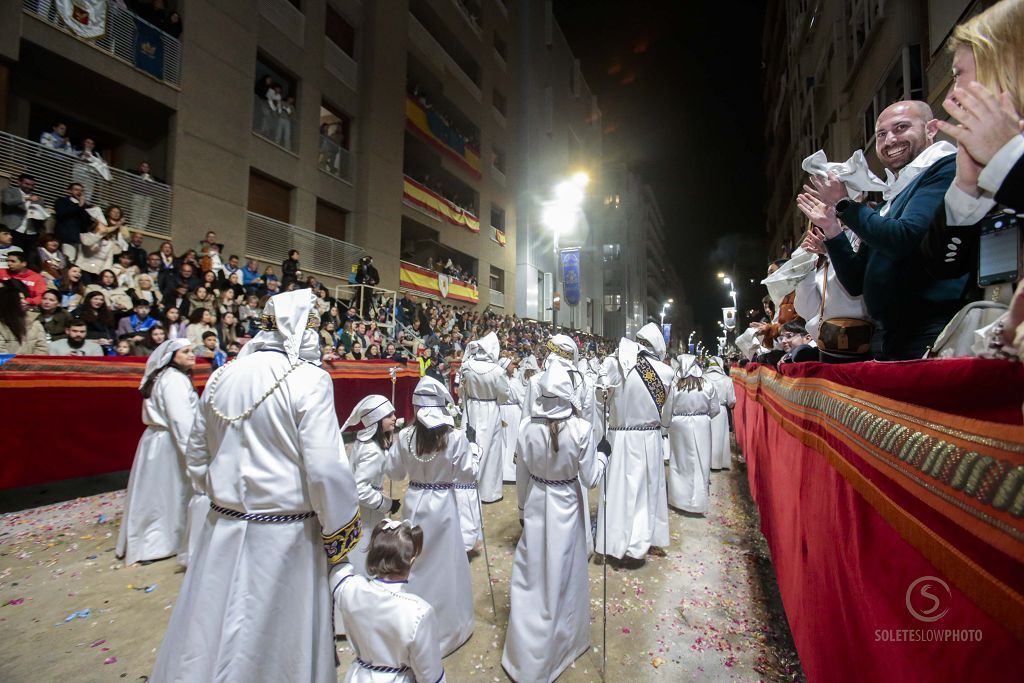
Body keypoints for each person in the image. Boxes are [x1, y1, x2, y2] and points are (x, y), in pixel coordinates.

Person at [151, 290, 361, 683]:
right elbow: (326, 471)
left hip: (221, 528)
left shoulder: (220, 376)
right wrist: (339, 530)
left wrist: (224, 496)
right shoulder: (309, 379)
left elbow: (197, 455)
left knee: (211, 625)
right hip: (287, 536)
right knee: (274, 637)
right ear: (303, 332)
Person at [799, 100, 964, 359]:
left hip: (929, 331)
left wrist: (845, 204)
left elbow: (904, 239)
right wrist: (832, 228)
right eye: (881, 134)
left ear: (930, 129)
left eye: (901, 128)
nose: (890, 140)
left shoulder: (944, 168)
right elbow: (855, 281)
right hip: (888, 336)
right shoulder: (892, 197)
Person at [502, 363, 608, 683]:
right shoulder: (580, 430)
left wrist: (522, 506)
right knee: (563, 573)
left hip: (537, 500)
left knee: (533, 572)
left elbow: (521, 474)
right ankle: (561, 642)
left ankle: (528, 648)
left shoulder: (526, 428)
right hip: (566, 502)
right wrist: (603, 455)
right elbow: (591, 479)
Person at [384, 376, 477, 657]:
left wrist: (391, 445)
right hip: (444, 505)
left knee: (416, 562)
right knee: (446, 563)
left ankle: (414, 628)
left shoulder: (404, 436)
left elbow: (395, 473)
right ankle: (448, 628)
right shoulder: (455, 437)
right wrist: (475, 452)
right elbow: (467, 475)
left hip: (415, 502)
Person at [595, 322, 674, 567]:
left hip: (619, 436)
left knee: (617, 492)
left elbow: (599, 399)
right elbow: (667, 416)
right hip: (649, 437)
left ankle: (611, 543)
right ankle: (643, 540)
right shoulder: (666, 372)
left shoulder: (614, 363)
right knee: (646, 493)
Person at [331, 519, 446, 683]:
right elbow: (430, 675)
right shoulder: (419, 613)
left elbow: (337, 567)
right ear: (411, 560)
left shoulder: (349, 589)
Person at [115, 339, 197, 565]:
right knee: (169, 493)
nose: (192, 356)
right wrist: (194, 452)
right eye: (186, 352)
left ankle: (152, 540)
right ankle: (160, 542)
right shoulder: (174, 380)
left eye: (193, 351)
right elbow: (181, 420)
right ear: (172, 356)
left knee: (156, 493)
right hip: (170, 443)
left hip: (157, 441)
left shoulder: (163, 377)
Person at [661, 355, 719, 516]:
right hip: (702, 424)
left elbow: (668, 409)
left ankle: (679, 499)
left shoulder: (676, 385)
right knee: (701, 460)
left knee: (680, 462)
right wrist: (703, 417)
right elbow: (715, 408)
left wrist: (665, 426)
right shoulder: (707, 384)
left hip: (679, 426)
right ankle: (699, 499)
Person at [458, 332, 509, 506]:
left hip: (471, 408)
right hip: (490, 409)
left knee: (468, 446)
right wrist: (496, 401)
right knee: (492, 451)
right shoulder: (498, 371)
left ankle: (465, 488)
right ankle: (489, 492)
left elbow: (461, 390)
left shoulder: (466, 365)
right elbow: (504, 395)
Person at [705, 357, 736, 471]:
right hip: (721, 411)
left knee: (707, 437)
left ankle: (706, 462)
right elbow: (731, 401)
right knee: (720, 436)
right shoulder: (727, 380)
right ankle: (720, 462)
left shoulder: (703, 378)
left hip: (706, 411)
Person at [2, 174, 46, 254]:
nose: (29, 187)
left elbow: (42, 216)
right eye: (27, 184)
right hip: (14, 229)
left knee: (27, 256)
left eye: (32, 185)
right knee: (10, 253)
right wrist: (26, 198)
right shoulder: (10, 191)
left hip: (31, 232)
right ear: (19, 182)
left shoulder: (38, 199)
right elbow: (7, 202)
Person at [0, 284, 48, 354]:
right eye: (20, 299)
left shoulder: (34, 323)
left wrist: (30, 363)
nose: (24, 302)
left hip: (34, 364)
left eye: (24, 298)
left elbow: (42, 348)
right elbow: (1, 352)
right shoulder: (1, 325)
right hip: (8, 364)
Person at [498, 356, 523, 483]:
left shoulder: (500, 381)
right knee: (509, 440)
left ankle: (505, 471)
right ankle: (509, 471)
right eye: (511, 365)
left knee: (508, 440)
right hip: (513, 412)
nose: (514, 367)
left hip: (502, 411)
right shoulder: (514, 383)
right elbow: (523, 399)